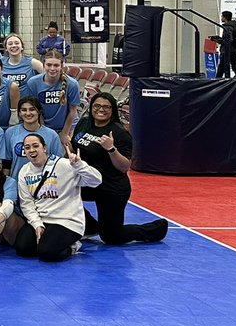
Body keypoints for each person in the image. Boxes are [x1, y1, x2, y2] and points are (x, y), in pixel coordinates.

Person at [72, 91, 168, 245]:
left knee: (111, 236)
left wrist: (111, 149)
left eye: (106, 107)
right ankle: (90, 226)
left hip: (111, 188)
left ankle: (155, 229)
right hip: (89, 182)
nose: (101, 109)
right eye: (97, 106)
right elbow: (74, 145)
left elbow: (124, 167)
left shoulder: (119, 133)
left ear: (112, 110)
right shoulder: (84, 123)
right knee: (61, 192)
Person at [12, 133, 103, 262]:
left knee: (47, 253)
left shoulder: (65, 165)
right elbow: (26, 203)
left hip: (66, 220)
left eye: (35, 146)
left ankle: (73, 246)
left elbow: (96, 181)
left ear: (44, 148)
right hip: (43, 219)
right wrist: (37, 224)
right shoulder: (24, 171)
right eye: (27, 147)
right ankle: (51, 239)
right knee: (23, 249)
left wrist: (79, 165)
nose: (31, 150)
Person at [213, 11, 236, 79]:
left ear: (225, 18)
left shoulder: (227, 27)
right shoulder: (235, 26)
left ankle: (216, 83)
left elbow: (228, 40)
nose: (221, 18)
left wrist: (217, 40)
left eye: (222, 16)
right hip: (235, 50)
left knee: (221, 67)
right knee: (235, 66)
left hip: (227, 50)